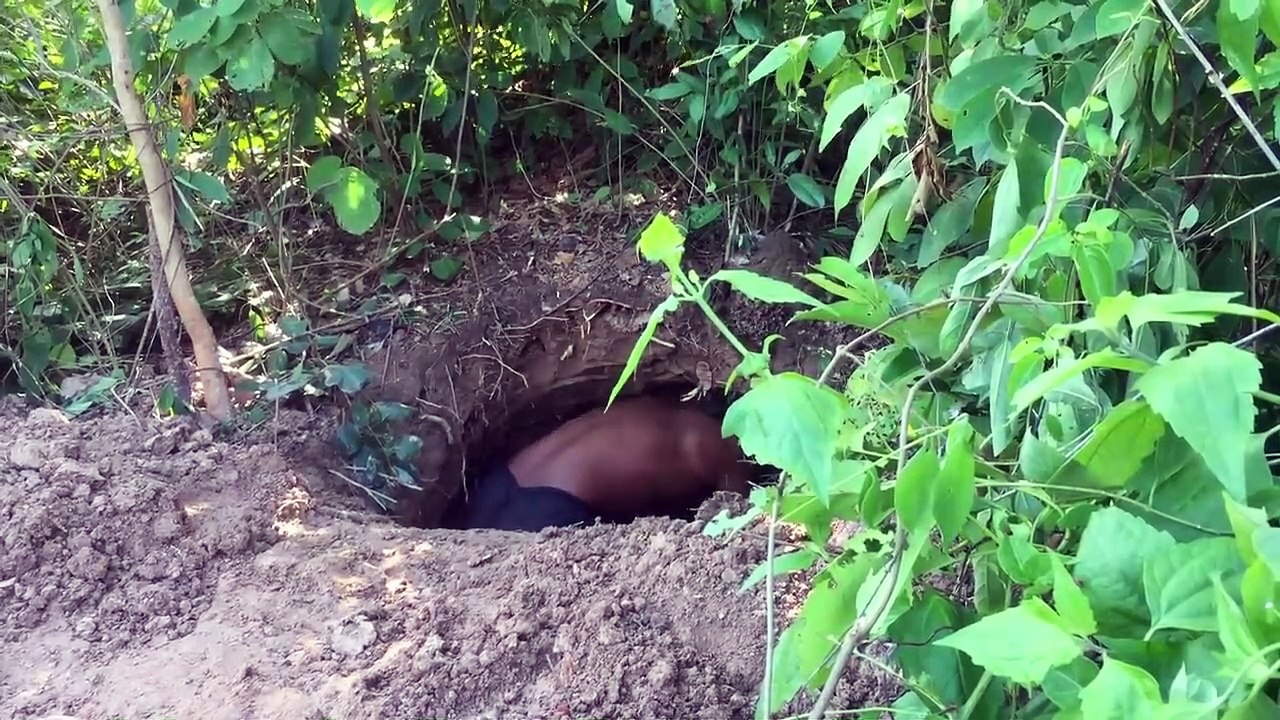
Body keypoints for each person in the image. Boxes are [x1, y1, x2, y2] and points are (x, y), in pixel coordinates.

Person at [460, 396, 753, 531]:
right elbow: (735, 515)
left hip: (504, 481)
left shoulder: (655, 406)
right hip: (549, 510)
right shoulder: (719, 444)